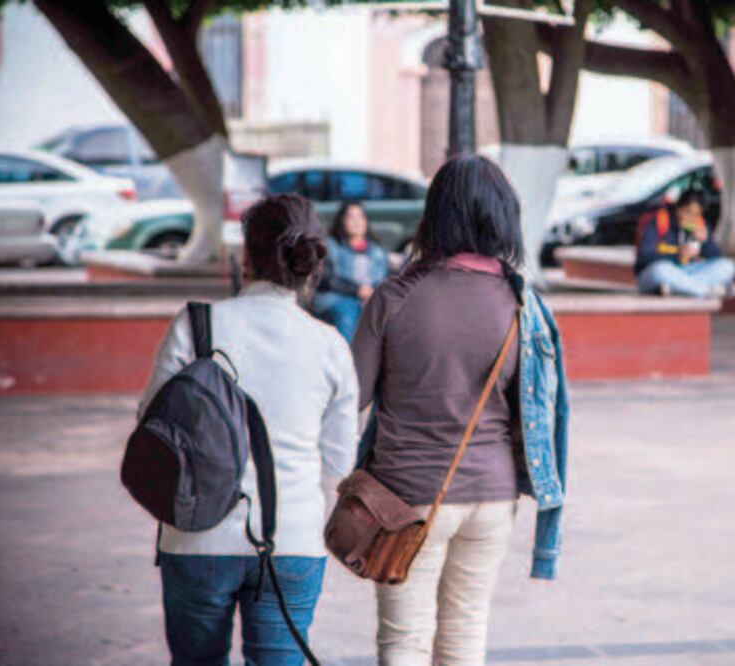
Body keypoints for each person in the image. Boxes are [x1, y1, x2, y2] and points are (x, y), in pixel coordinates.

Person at [350, 155, 569, 666]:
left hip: (406, 497)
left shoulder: (394, 298)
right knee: (465, 634)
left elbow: (349, 397)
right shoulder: (523, 306)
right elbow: (541, 412)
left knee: (404, 641)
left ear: (436, 214)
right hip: (492, 495)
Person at [139, 193, 359, 666]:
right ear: (310, 265)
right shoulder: (330, 346)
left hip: (196, 537)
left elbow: (150, 425)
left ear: (245, 258)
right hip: (292, 542)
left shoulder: (196, 326)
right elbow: (340, 464)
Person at [634, 189, 735, 298]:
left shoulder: (699, 225)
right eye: (687, 212)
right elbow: (645, 255)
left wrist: (706, 241)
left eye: (695, 215)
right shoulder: (658, 221)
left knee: (728, 266)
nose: (690, 218)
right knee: (660, 271)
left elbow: (717, 258)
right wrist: (677, 255)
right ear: (678, 208)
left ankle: (678, 289)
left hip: (686, 272)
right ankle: (704, 290)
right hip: (657, 273)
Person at [313, 200, 390, 340]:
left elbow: (384, 279)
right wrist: (356, 290)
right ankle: (346, 354)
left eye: (360, 217)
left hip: (369, 299)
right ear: (341, 221)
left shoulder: (377, 251)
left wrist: (372, 293)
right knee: (347, 312)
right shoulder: (331, 246)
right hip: (337, 298)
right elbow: (325, 277)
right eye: (351, 217)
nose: (357, 222)